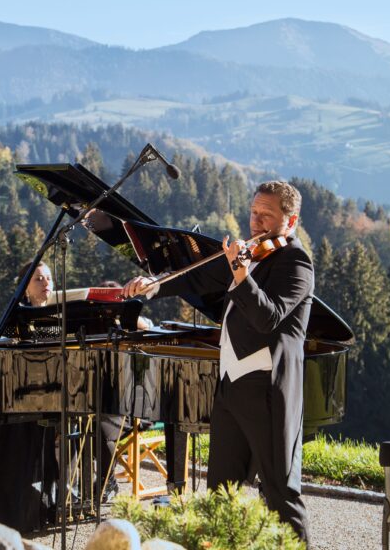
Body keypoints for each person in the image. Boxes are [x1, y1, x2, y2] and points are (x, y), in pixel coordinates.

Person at [122, 180, 313, 542]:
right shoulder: (252, 253)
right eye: (254, 213)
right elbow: (198, 277)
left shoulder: (296, 261)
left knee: (280, 494)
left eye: (266, 216)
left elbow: (267, 318)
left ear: (290, 222)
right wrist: (156, 284)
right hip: (232, 387)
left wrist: (240, 272)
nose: (256, 222)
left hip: (269, 391)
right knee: (218, 494)